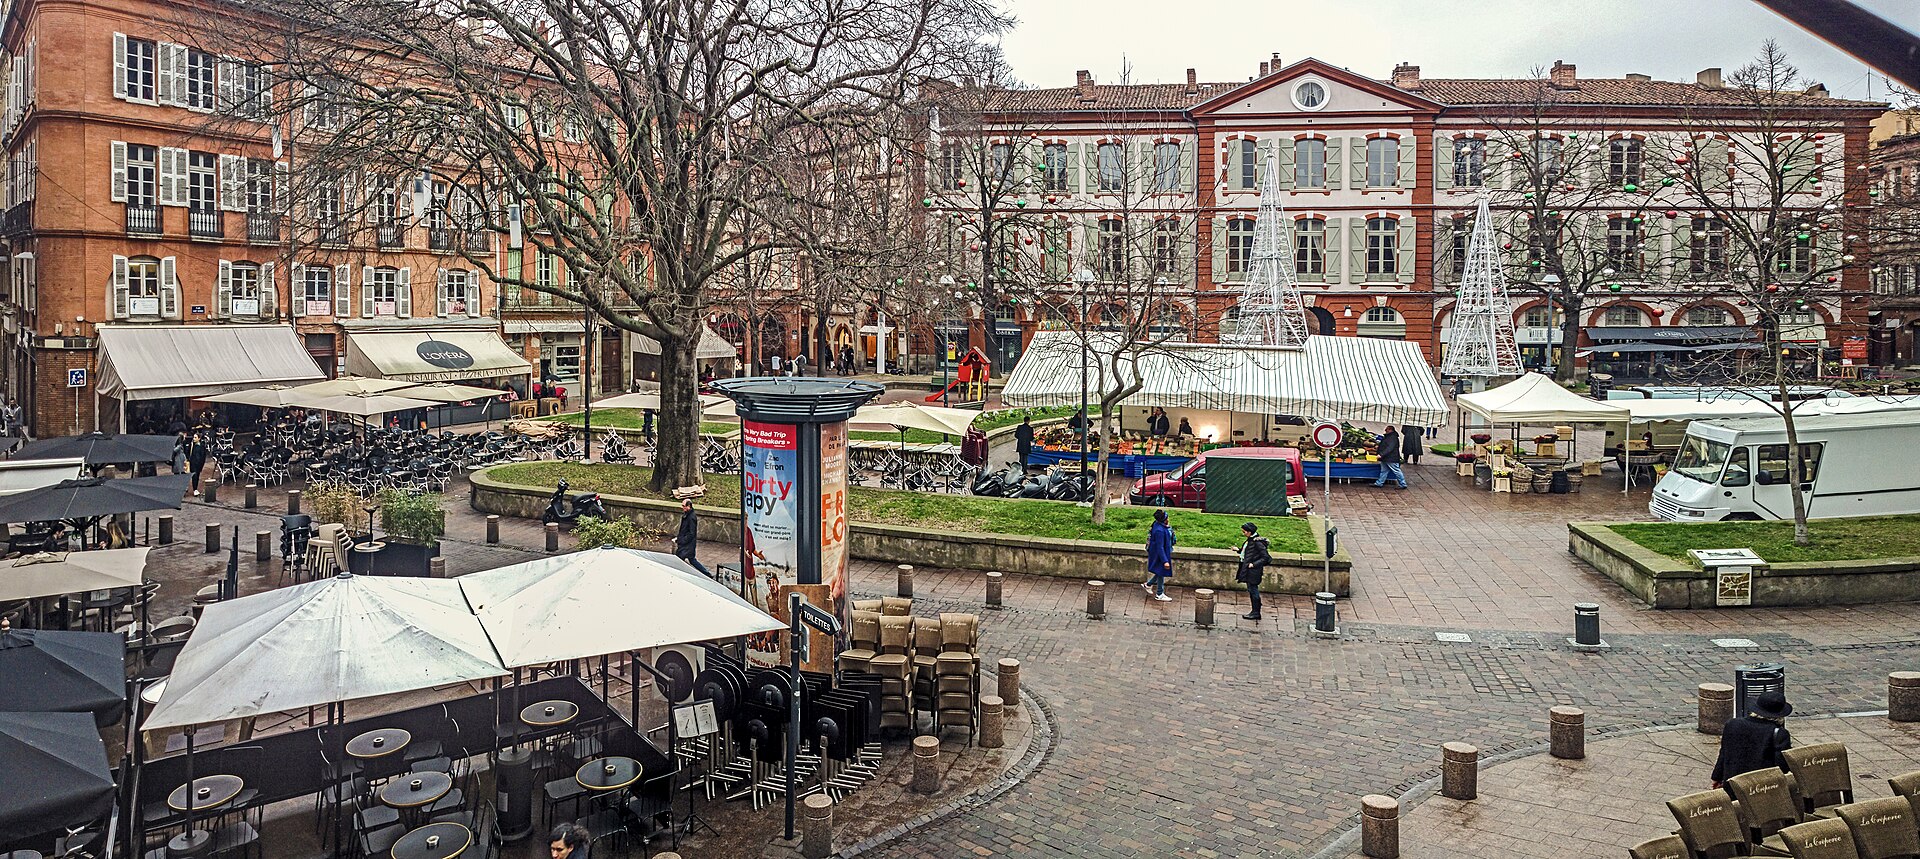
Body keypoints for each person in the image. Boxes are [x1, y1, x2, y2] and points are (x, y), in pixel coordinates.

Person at [1711, 692, 1793, 790]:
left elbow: (1724, 753)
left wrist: (1717, 777)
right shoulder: (1779, 734)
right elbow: (1782, 767)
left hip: (1732, 786)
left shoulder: (1732, 724)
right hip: (1760, 789)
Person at [1235, 522, 1270, 620]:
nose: (1243, 533)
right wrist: (1238, 550)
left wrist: (1254, 564)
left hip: (1253, 571)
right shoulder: (1251, 540)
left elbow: (1266, 557)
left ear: (1250, 532)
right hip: (1249, 570)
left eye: (1244, 532)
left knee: (1253, 590)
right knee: (1251, 590)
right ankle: (1255, 611)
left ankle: (1256, 612)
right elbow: (1248, 552)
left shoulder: (1257, 543)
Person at [1142, 508, 1174, 601]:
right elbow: (1160, 547)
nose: (1168, 519)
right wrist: (1165, 561)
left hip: (1157, 552)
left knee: (1160, 571)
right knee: (1161, 571)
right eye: (1167, 517)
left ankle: (1148, 585)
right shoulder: (1160, 531)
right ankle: (1159, 593)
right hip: (1159, 554)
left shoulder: (1157, 525)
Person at [676, 498, 711, 576]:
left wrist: (682, 540)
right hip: (687, 543)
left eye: (684, 506)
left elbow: (691, 533)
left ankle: (706, 573)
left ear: (688, 506)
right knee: (690, 559)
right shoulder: (687, 515)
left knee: (684, 559)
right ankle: (706, 573)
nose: (682, 507)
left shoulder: (691, 517)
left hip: (687, 544)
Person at [185, 432, 209, 496]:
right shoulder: (191, 445)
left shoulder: (202, 446)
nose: (194, 439)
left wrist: (201, 465)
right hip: (192, 463)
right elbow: (188, 452)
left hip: (198, 464)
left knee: (196, 476)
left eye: (195, 437)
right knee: (192, 476)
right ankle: (192, 488)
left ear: (199, 438)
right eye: (194, 437)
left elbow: (203, 456)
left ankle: (195, 489)